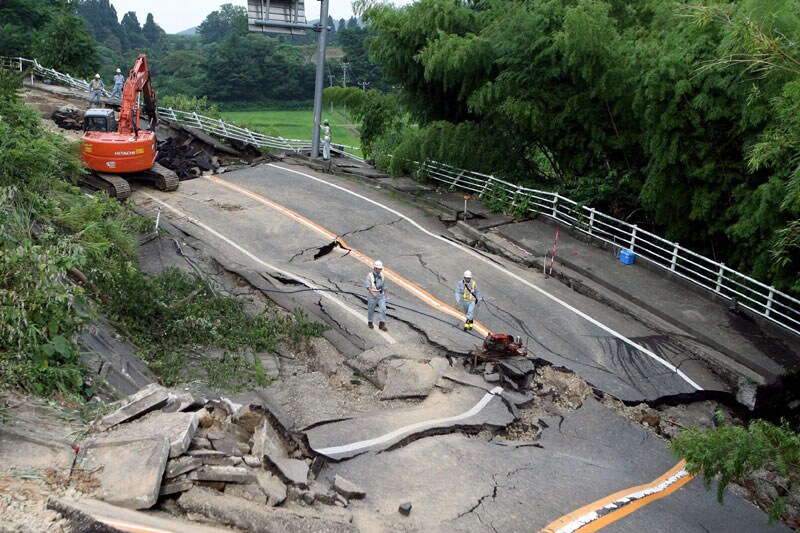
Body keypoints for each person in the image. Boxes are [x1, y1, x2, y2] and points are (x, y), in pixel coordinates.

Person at [365, 260, 389, 331]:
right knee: (371, 309)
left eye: (380, 269)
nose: (380, 270)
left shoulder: (382, 275)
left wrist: (386, 294)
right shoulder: (370, 276)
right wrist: (372, 292)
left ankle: (382, 324)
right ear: (375, 268)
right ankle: (370, 322)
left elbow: (384, 286)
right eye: (378, 269)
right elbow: (368, 286)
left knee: (383, 309)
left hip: (380, 294)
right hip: (372, 295)